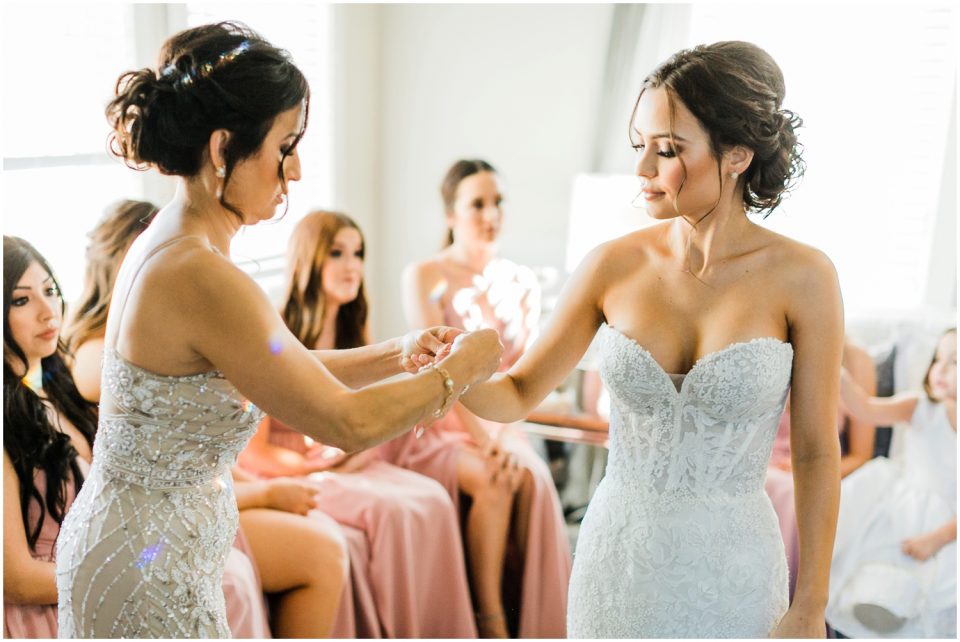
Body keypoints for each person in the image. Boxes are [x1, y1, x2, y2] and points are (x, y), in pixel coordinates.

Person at [54, 21, 501, 638]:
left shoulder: (182, 241)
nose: (294, 172)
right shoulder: (200, 273)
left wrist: (400, 353)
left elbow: (280, 362)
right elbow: (346, 422)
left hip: (146, 546)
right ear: (222, 149)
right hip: (148, 565)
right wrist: (462, 369)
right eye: (284, 146)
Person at [458, 41, 843, 637]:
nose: (641, 171)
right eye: (640, 146)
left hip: (735, 574)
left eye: (666, 151)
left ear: (737, 154)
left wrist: (810, 605)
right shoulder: (610, 266)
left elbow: (817, 452)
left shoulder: (805, 278)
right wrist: (445, 371)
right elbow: (516, 392)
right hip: (619, 564)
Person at [64, 199, 348, 637]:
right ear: (125, 259)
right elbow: (160, 466)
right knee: (318, 553)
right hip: (151, 525)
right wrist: (267, 492)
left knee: (325, 539)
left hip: (201, 496)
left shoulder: (172, 326)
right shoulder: (96, 355)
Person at [239, 210, 477, 637]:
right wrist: (316, 465)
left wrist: (349, 452)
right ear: (309, 259)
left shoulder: (354, 325)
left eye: (358, 253)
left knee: (432, 499)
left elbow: (359, 417)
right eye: (337, 253)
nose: (352, 266)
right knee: (391, 513)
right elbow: (255, 451)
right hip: (289, 466)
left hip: (344, 459)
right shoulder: (277, 329)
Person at [397, 160, 571, 638]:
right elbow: (439, 373)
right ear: (451, 214)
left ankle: (530, 615)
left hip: (502, 424)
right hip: (439, 426)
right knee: (495, 479)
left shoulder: (524, 283)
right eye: (477, 204)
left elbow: (523, 378)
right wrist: (484, 439)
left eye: (498, 202)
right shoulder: (424, 275)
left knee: (531, 479)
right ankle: (489, 621)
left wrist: (501, 435)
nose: (491, 213)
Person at [826, 328, 956, 638]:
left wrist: (937, 538)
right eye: (938, 359)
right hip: (903, 506)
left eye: (955, 361)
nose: (939, 369)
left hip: (949, 525)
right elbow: (867, 409)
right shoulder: (921, 407)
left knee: (934, 588)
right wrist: (837, 371)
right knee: (873, 569)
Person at [3, 236, 97, 638]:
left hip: (88, 584)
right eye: (21, 300)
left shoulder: (56, 388)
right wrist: (122, 574)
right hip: (46, 613)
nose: (48, 312)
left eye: (51, 291)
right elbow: (16, 578)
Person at [765, 338, 877, 597]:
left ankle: (792, 601)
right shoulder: (767, 348)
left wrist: (805, 473)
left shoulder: (856, 361)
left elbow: (860, 455)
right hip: (760, 467)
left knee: (795, 493)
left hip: (808, 475)